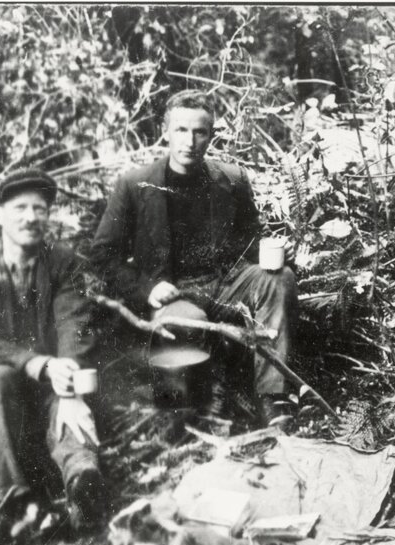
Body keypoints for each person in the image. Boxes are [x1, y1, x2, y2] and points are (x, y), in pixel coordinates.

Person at [90, 90, 298, 425]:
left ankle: (273, 400)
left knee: (280, 277)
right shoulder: (134, 185)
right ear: (165, 131)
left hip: (228, 282)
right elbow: (102, 256)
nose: (190, 141)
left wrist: (277, 253)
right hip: (175, 289)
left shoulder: (232, 180)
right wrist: (147, 289)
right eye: (181, 130)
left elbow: (251, 244)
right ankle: (188, 417)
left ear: (211, 135)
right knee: (182, 324)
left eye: (200, 132)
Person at [0, 169, 109, 545]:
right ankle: (6, 506)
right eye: (20, 208)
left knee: (72, 387)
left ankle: (82, 484)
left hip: (54, 382)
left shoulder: (63, 262)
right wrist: (40, 364)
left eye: (39, 209)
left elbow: (74, 321)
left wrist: (68, 380)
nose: (30, 217)